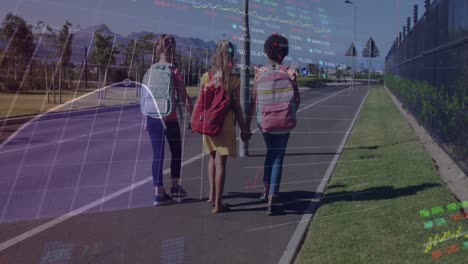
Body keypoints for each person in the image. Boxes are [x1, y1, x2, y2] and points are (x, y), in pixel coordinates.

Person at [247, 34, 300, 215]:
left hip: (266, 121)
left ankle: (266, 189)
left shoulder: (260, 73)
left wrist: (247, 125)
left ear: (266, 51)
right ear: (284, 52)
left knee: (270, 153)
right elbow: (297, 99)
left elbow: (254, 101)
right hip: (284, 121)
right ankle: (273, 196)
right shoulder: (289, 72)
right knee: (278, 156)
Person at [197, 40, 251, 213]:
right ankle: (219, 203)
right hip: (225, 124)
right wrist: (244, 128)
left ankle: (212, 195)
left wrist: (196, 121)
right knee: (221, 163)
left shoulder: (207, 77)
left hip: (209, 123)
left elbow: (200, 102)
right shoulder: (233, 81)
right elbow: (237, 108)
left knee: (212, 158)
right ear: (231, 56)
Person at [144, 34, 193, 206]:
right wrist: (193, 117)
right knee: (176, 152)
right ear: (172, 49)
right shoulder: (174, 71)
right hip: (169, 118)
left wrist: (145, 119)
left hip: (151, 118)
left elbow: (146, 97)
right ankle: (175, 187)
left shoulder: (150, 70)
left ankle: (158, 193)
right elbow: (185, 98)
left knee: (157, 156)